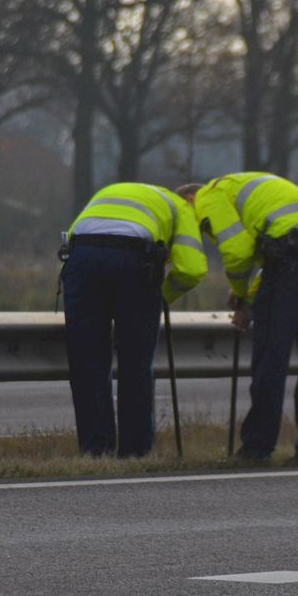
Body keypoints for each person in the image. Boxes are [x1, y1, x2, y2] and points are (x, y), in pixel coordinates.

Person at [186, 172, 298, 465]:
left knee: (270, 356)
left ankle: (256, 448)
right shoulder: (246, 187)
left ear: (189, 200)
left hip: (294, 252)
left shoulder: (208, 195)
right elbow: (270, 260)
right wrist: (249, 298)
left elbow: (238, 252)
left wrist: (240, 297)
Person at [61, 183, 207, 457]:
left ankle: (95, 451)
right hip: (132, 260)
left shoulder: (114, 191)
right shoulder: (180, 207)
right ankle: (135, 451)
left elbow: (74, 234)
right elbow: (192, 269)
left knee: (87, 360)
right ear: (190, 199)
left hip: (81, 256)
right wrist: (161, 295)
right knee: (135, 362)